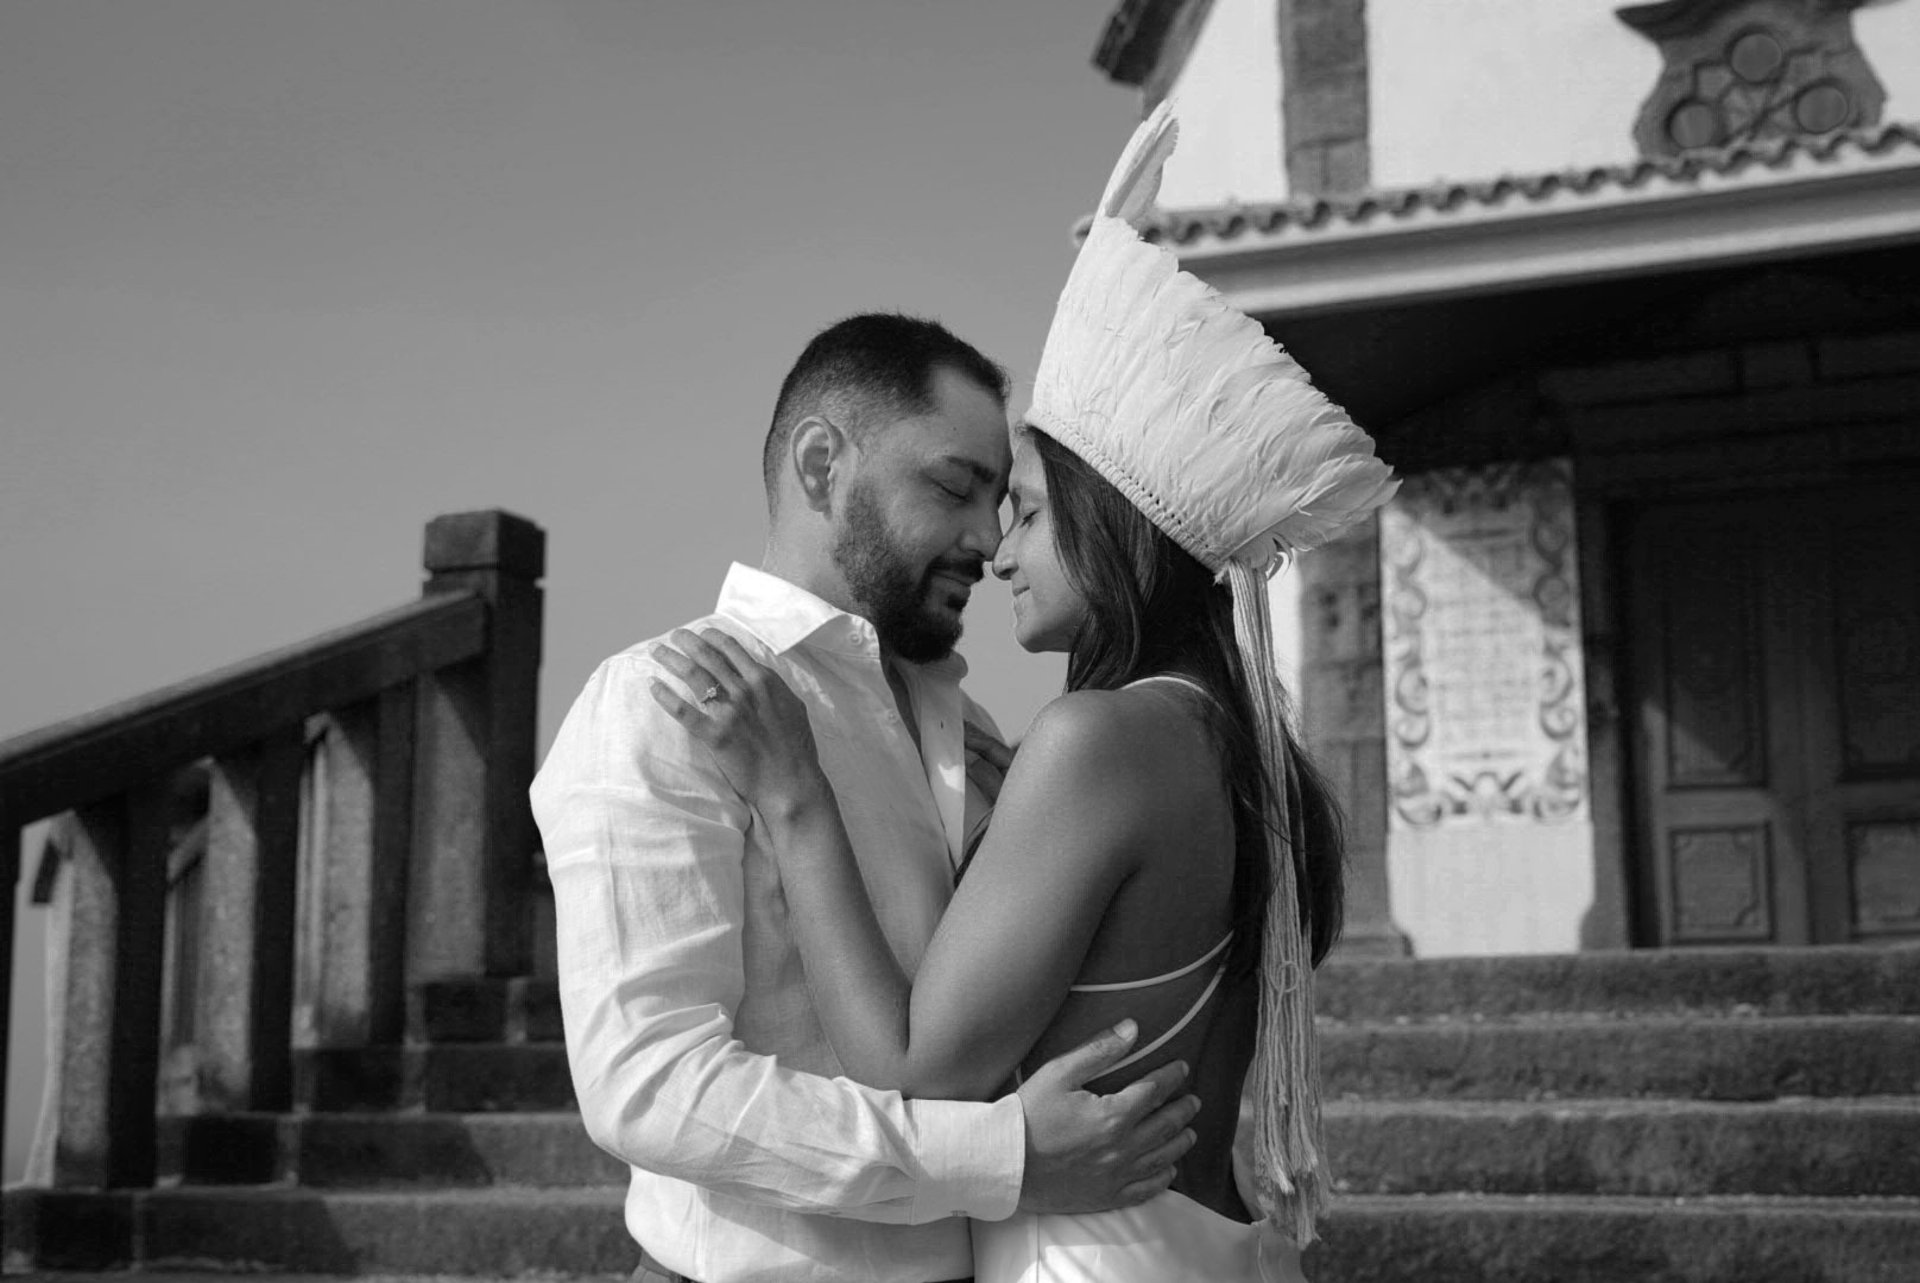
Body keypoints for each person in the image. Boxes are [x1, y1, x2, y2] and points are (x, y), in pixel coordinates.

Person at [650, 104, 1397, 1282]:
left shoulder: (1097, 738)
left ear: (1123, 534)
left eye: (1036, 510)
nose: (1000, 547)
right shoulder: (1231, 740)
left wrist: (794, 792)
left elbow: (911, 1067)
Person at [531, 312, 1204, 1283]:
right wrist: (998, 1159)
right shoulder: (662, 698)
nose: (988, 536)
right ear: (821, 466)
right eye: (953, 487)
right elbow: (647, 1082)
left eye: (1003, 499)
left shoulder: (963, 724)